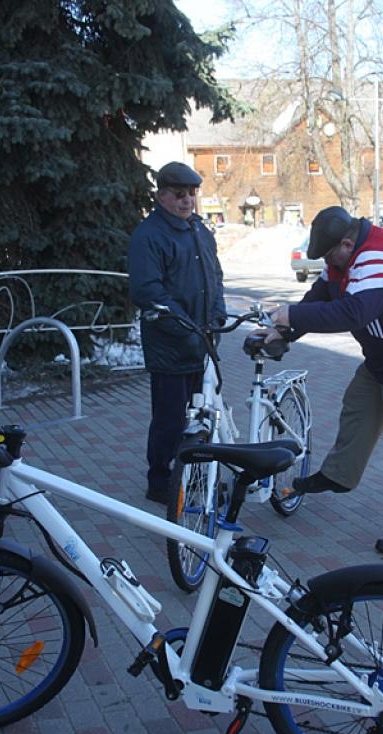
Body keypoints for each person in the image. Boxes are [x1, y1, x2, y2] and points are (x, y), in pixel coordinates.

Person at [264, 206, 383, 555]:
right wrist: (284, 332)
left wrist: (290, 314)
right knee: (358, 405)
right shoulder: (343, 258)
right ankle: (339, 475)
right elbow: (320, 296)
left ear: (346, 242)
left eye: (328, 255)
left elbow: (352, 313)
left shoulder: (380, 255)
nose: (328, 264)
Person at [128, 162, 226, 504]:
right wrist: (186, 327)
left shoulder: (199, 230)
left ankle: (193, 475)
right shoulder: (149, 235)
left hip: (202, 343)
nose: (188, 200)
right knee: (170, 420)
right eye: (180, 194)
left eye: (192, 194)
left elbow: (215, 276)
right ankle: (160, 482)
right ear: (162, 196)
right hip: (170, 347)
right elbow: (148, 291)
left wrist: (217, 314)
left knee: (202, 416)